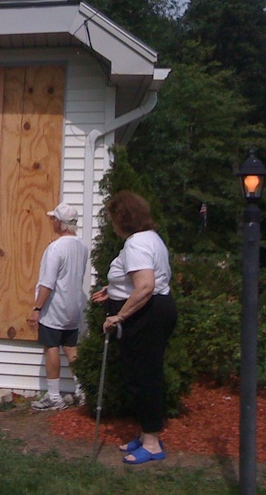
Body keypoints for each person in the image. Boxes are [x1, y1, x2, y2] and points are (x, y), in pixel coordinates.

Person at [91, 191, 177, 465]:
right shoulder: (149, 238)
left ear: (122, 218)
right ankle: (146, 435)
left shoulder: (136, 244)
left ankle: (152, 444)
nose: (110, 223)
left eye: (111, 217)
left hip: (146, 316)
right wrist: (113, 289)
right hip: (153, 312)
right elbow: (140, 280)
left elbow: (146, 286)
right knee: (141, 376)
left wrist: (120, 316)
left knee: (144, 378)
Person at [28, 202, 89, 411]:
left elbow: (47, 283)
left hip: (55, 308)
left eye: (54, 219)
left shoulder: (55, 248)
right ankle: (83, 390)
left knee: (51, 347)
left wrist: (37, 308)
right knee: (71, 348)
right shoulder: (82, 247)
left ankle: (54, 396)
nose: (52, 221)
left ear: (61, 224)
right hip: (73, 308)